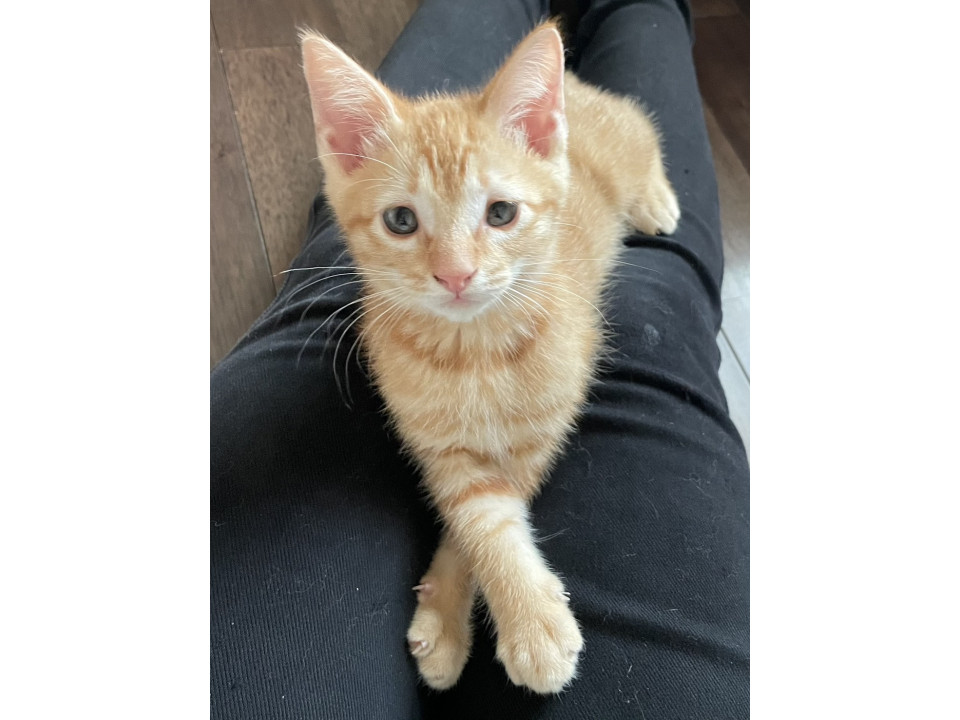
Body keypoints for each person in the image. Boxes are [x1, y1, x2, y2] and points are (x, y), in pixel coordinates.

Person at [210, 0, 749, 717]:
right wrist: (495, 568)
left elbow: (518, 453)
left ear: (540, 140)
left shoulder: (548, 314)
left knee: (636, 151)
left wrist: (643, 173)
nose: (455, 270)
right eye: (403, 220)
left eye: (497, 213)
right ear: (344, 154)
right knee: (672, 281)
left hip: (591, 165)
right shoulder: (391, 339)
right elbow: (461, 463)